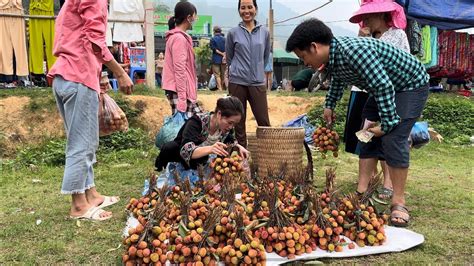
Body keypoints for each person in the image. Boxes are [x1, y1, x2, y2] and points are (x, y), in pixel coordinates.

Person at [286, 18, 429, 227]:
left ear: (314, 47)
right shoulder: (335, 56)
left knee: (393, 138)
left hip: (410, 85)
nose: (304, 63)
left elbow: (383, 86)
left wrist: (388, 124)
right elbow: (339, 78)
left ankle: (399, 202)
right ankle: (362, 192)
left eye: (303, 56)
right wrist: (330, 105)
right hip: (386, 87)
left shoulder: (353, 52)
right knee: (366, 133)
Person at [48, 0, 133, 221]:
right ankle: (78, 205)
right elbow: (95, 41)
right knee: (82, 144)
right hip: (79, 77)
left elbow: (79, 39)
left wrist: (99, 76)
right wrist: (119, 73)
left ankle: (91, 194)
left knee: (84, 140)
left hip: (67, 76)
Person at [346, 0, 410, 202]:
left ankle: (388, 184)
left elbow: (405, 65)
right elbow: (355, 65)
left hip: (391, 95)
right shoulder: (366, 35)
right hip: (368, 93)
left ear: (382, 14)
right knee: (366, 136)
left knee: (389, 138)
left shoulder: (398, 35)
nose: (364, 20)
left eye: (368, 15)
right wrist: (361, 40)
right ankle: (364, 184)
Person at [155, 96, 249, 184]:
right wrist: (210, 149)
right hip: (182, 158)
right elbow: (186, 150)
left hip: (202, 162)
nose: (231, 127)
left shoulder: (225, 129)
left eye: (234, 125)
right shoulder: (196, 122)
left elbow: (230, 141)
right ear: (219, 114)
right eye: (230, 123)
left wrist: (237, 146)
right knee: (174, 148)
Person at [226, 0, 271, 147]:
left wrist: (257, 71)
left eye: (250, 7)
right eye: (242, 7)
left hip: (257, 82)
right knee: (238, 122)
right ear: (239, 10)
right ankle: (241, 158)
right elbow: (230, 57)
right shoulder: (233, 33)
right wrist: (237, 71)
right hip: (237, 82)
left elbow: (265, 56)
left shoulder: (265, 32)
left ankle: (267, 157)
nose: (246, 11)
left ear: (255, 9)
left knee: (263, 121)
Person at [162, 1, 201, 118]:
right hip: (179, 91)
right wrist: (182, 100)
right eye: (194, 16)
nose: (195, 19)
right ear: (188, 17)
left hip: (181, 91)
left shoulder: (178, 37)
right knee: (187, 128)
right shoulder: (179, 38)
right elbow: (179, 69)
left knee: (194, 124)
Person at [210, 26, 227, 91]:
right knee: (223, 75)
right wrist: (224, 54)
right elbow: (228, 48)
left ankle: (219, 88)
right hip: (224, 59)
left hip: (215, 59)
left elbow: (214, 49)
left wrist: (221, 53)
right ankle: (222, 88)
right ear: (220, 31)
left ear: (214, 31)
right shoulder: (225, 39)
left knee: (217, 75)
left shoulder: (212, 39)